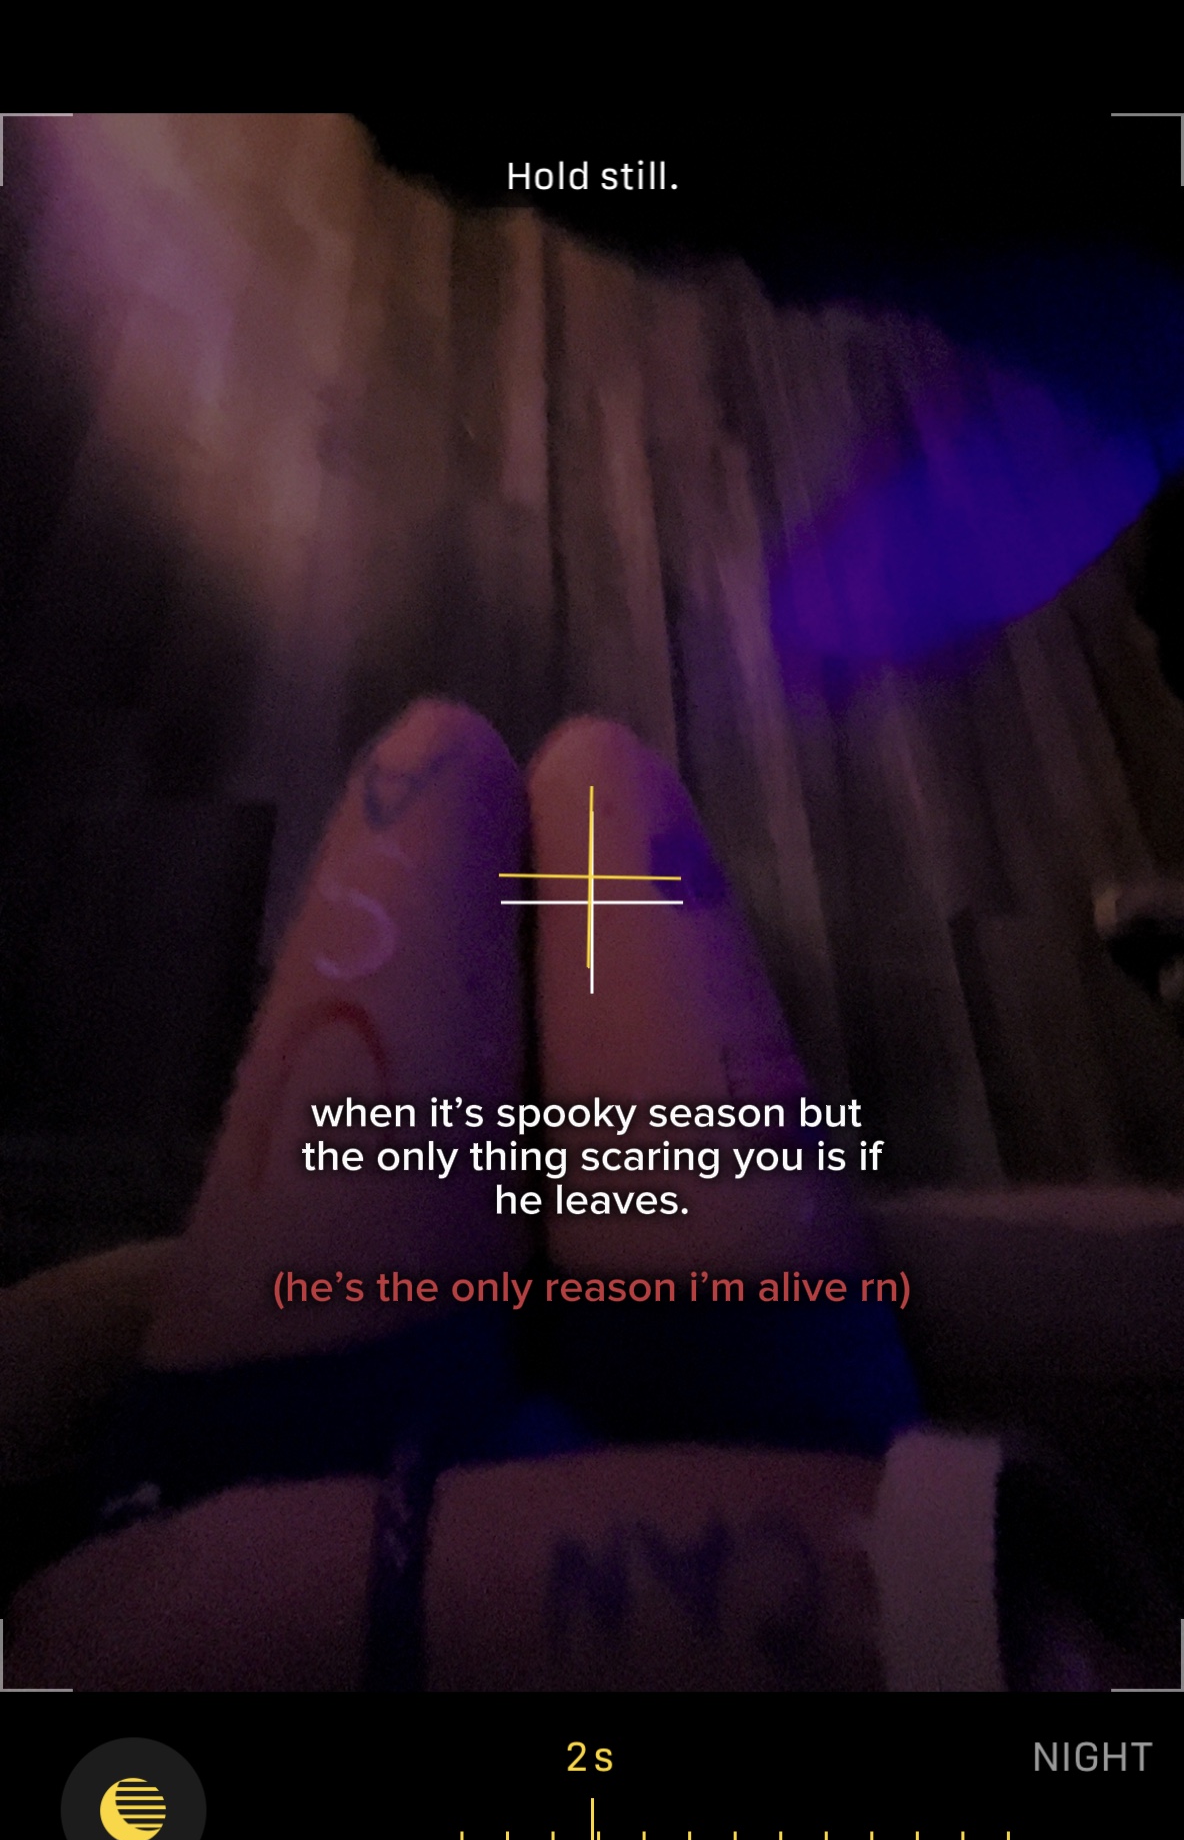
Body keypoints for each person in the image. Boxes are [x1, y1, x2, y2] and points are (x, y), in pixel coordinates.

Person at [2, 701, 1139, 1690]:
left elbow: (88, 1635)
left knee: (454, 759)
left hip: (258, 1503)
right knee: (584, 774)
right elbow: (1056, 1646)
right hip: (814, 1478)